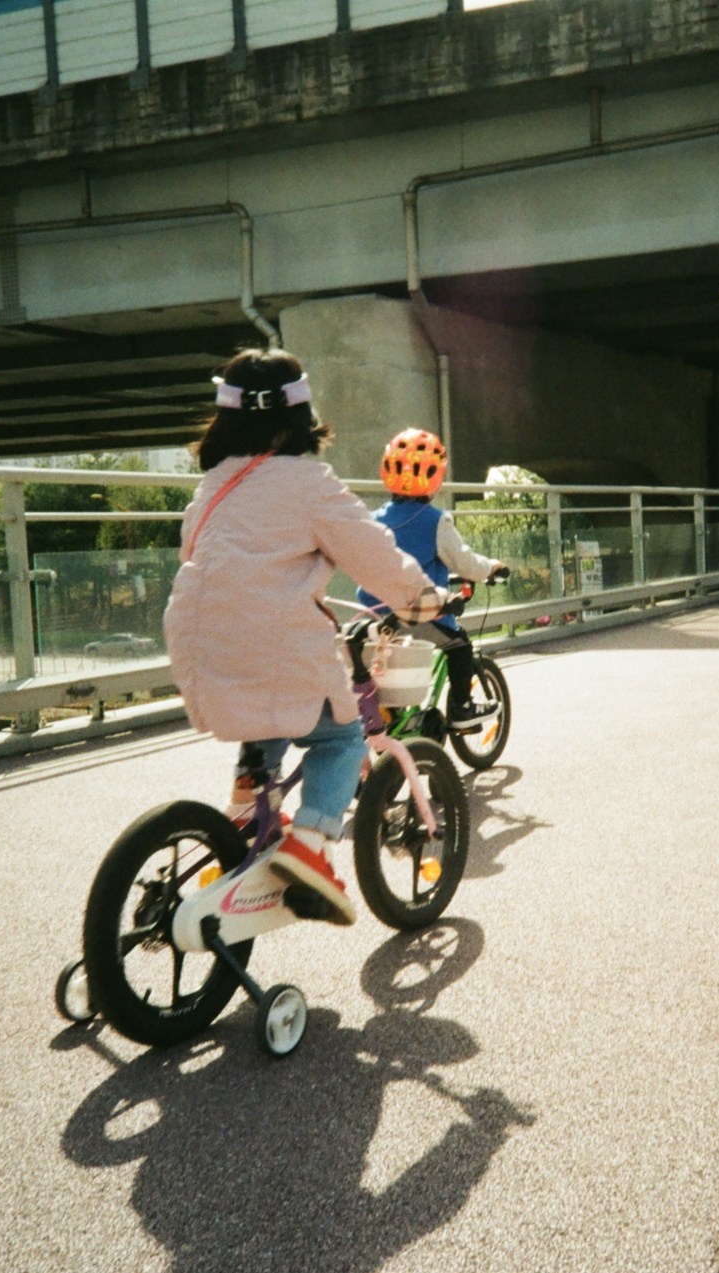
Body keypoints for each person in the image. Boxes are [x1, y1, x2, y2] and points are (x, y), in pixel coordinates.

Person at [164, 349, 446, 926]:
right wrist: (418, 598)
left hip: (195, 639)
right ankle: (310, 849)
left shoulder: (214, 484)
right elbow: (371, 553)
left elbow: (203, 555)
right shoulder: (308, 481)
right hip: (270, 638)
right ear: (299, 416)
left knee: (264, 709)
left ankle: (246, 807)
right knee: (340, 736)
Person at [357, 428, 508, 730]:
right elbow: (464, 562)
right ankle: (463, 709)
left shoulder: (371, 519)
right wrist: (491, 567)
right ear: (435, 477)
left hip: (374, 618)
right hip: (417, 616)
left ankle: (397, 717)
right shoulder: (436, 520)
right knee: (459, 644)